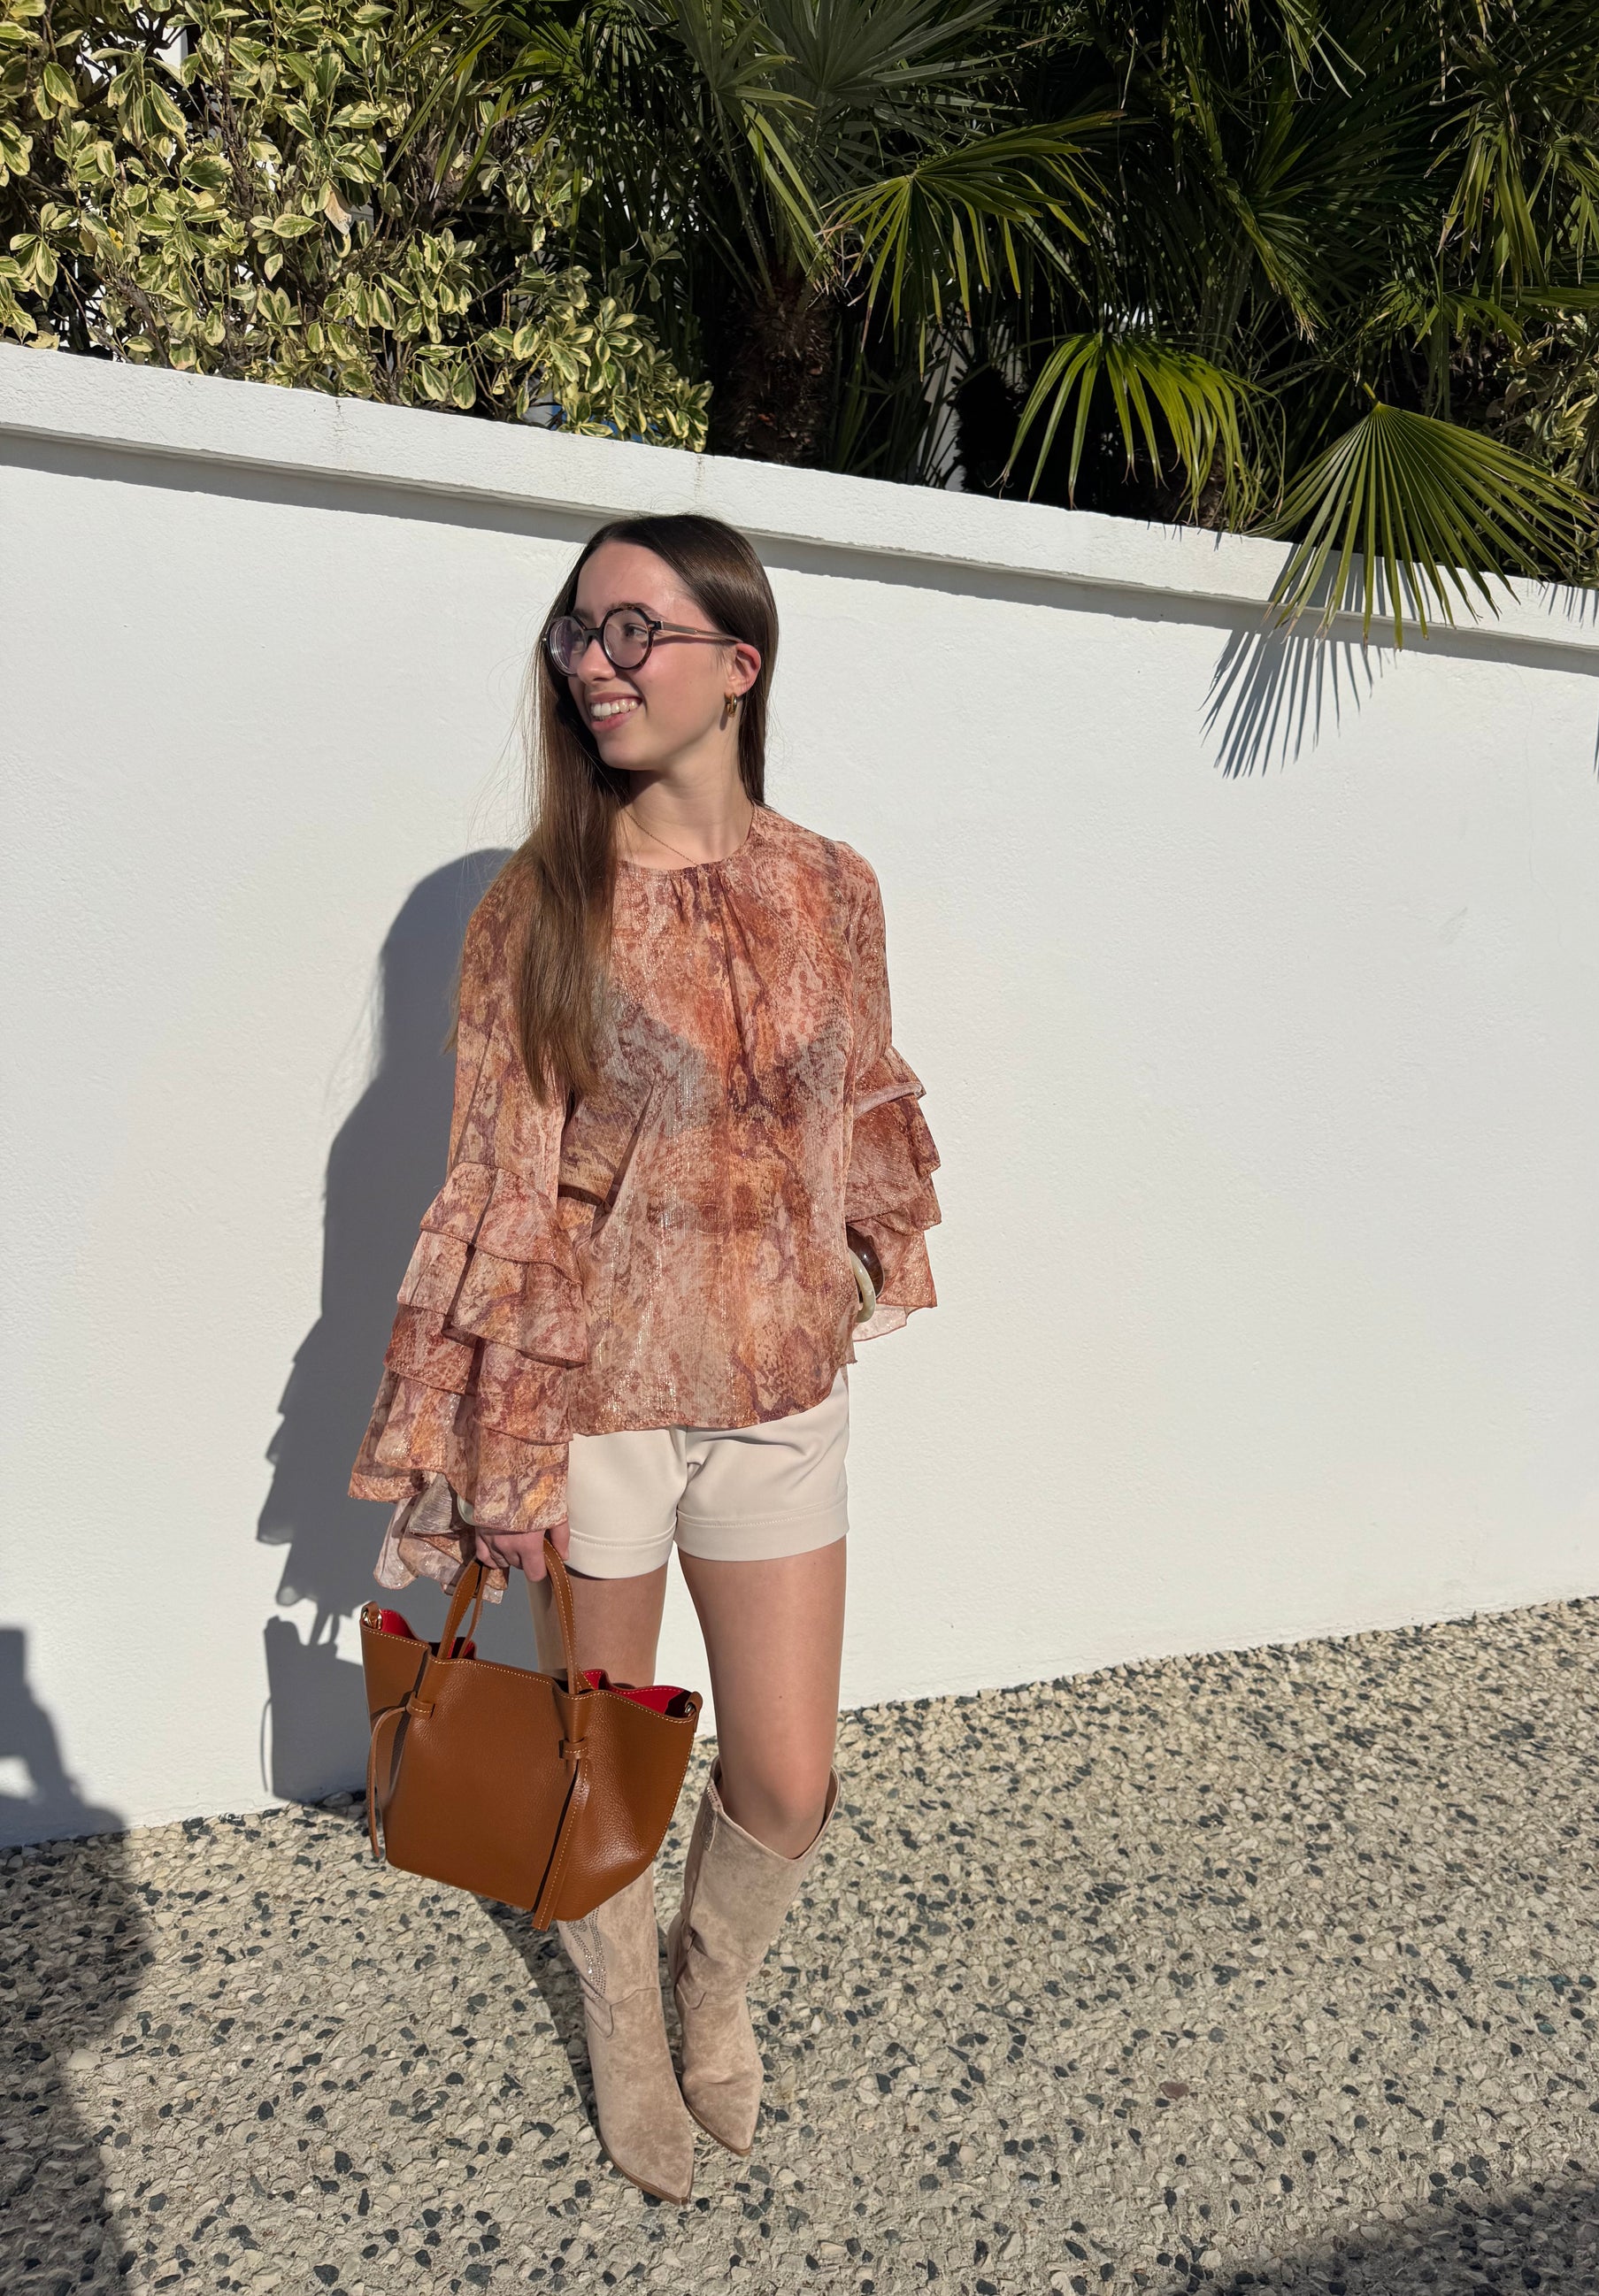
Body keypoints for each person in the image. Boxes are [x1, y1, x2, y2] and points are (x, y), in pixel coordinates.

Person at [348, 513, 942, 2203]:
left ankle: (712, 1975)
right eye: (575, 633)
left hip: (779, 1394)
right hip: (594, 1408)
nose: (591, 665)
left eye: (630, 632)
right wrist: (501, 1458)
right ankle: (623, 2018)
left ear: (736, 664)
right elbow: (500, 1184)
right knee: (598, 1760)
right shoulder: (538, 907)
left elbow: (867, 1091)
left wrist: (851, 1259)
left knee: (788, 1777)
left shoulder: (832, 883)